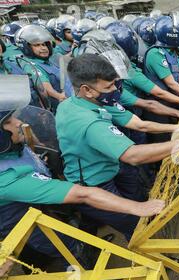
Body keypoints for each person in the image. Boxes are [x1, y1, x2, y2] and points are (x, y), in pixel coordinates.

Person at [0, 75, 165, 267]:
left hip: (35, 205)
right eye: (10, 121)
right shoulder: (6, 178)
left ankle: (88, 250)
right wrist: (137, 207)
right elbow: (82, 195)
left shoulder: (8, 149)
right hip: (21, 224)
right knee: (66, 247)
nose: (19, 123)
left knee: (77, 230)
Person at [55, 54, 179, 240]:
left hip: (110, 164)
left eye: (115, 83)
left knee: (138, 196)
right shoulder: (88, 121)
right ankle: (151, 259)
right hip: (94, 182)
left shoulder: (91, 101)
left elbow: (140, 125)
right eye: (108, 87)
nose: (115, 89)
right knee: (134, 223)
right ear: (87, 90)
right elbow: (133, 156)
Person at [15, 24, 74, 112]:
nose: (43, 48)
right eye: (37, 45)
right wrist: (59, 96)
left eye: (44, 44)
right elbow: (44, 86)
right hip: (65, 107)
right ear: (26, 47)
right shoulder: (31, 65)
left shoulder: (48, 61)